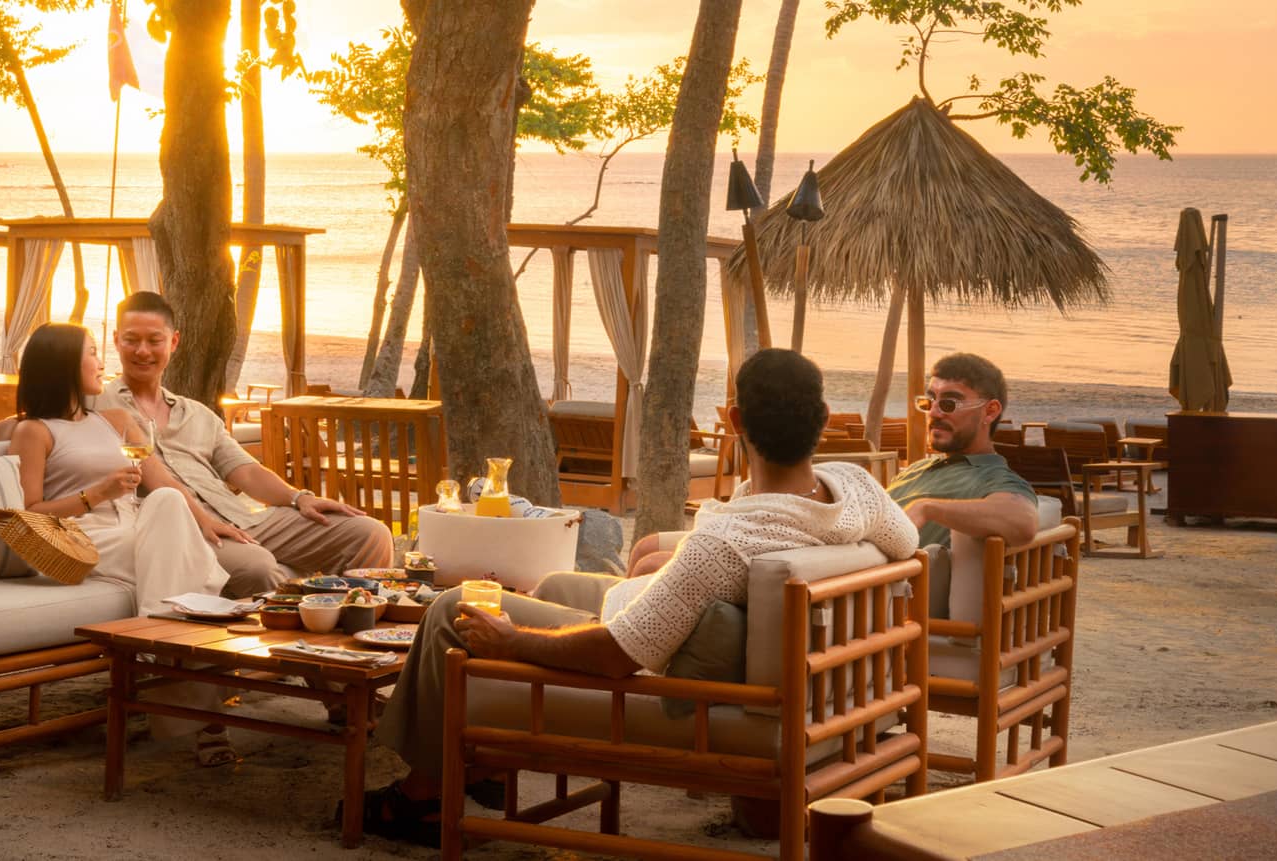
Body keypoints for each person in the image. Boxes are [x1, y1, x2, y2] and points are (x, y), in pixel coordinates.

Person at [362, 349, 919, 845]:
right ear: (822, 421)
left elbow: (613, 655)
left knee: (453, 608)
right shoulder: (856, 491)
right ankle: (478, 770)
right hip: (826, 694)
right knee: (555, 586)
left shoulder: (725, 548)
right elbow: (909, 543)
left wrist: (512, 642)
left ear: (735, 421)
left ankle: (422, 795)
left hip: (664, 684)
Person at [0, 290, 393, 594]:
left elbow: (245, 471)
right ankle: (291, 662)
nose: (142, 351)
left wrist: (299, 497)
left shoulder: (196, 412)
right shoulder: (98, 406)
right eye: (130, 340)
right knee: (261, 568)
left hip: (245, 517)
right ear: (117, 342)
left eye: (154, 341)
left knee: (369, 534)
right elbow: (29, 423)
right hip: (182, 526)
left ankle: (356, 647)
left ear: (174, 343)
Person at [7, 322, 238, 766]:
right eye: (92, 351)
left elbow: (163, 481)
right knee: (193, 580)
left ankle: (156, 630)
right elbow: (29, 513)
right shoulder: (34, 431)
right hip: (85, 536)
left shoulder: (115, 420)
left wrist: (208, 520)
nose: (102, 361)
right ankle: (208, 722)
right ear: (63, 365)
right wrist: (97, 493)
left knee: (169, 501)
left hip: (141, 528)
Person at [885, 352, 1038, 549]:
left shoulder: (994, 478)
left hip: (875, 576)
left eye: (949, 404)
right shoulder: (916, 469)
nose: (933, 412)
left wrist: (926, 508)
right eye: (929, 401)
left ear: (990, 411)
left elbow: (1022, 520)